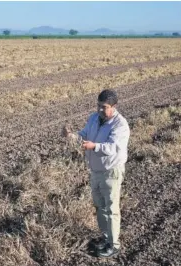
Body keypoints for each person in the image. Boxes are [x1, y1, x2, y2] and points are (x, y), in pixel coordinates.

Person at [62, 89, 130, 257]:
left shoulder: (120, 125)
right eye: (98, 105)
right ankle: (106, 238)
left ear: (114, 107)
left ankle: (114, 246)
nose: (100, 110)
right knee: (100, 207)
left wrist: (94, 146)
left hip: (111, 172)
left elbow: (113, 148)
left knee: (112, 208)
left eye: (104, 107)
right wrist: (71, 136)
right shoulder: (94, 118)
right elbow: (84, 135)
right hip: (96, 170)